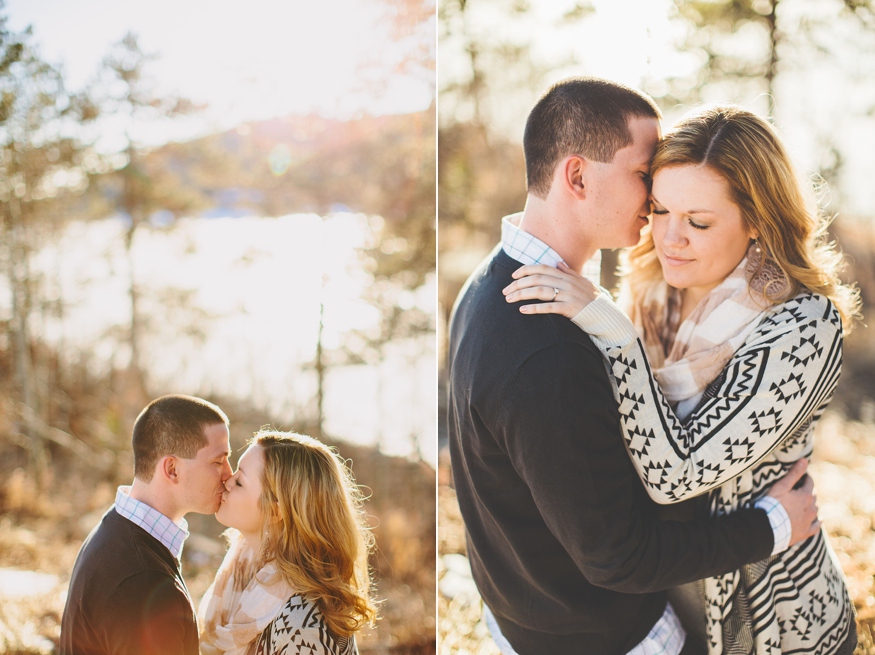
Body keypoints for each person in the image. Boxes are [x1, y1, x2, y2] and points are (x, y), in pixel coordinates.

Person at [447, 77, 822, 655]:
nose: (654, 207)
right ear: (577, 176)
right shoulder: (550, 348)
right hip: (604, 634)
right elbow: (618, 556)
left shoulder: (487, 283)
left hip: (536, 614)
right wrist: (772, 525)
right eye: (646, 177)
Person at [60, 394, 233, 655]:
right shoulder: (143, 582)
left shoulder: (117, 528)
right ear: (172, 469)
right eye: (218, 461)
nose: (229, 474)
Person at [198, 430, 375, 655]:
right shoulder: (241, 572)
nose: (227, 481)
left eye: (240, 481)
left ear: (275, 511)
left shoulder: (301, 626)